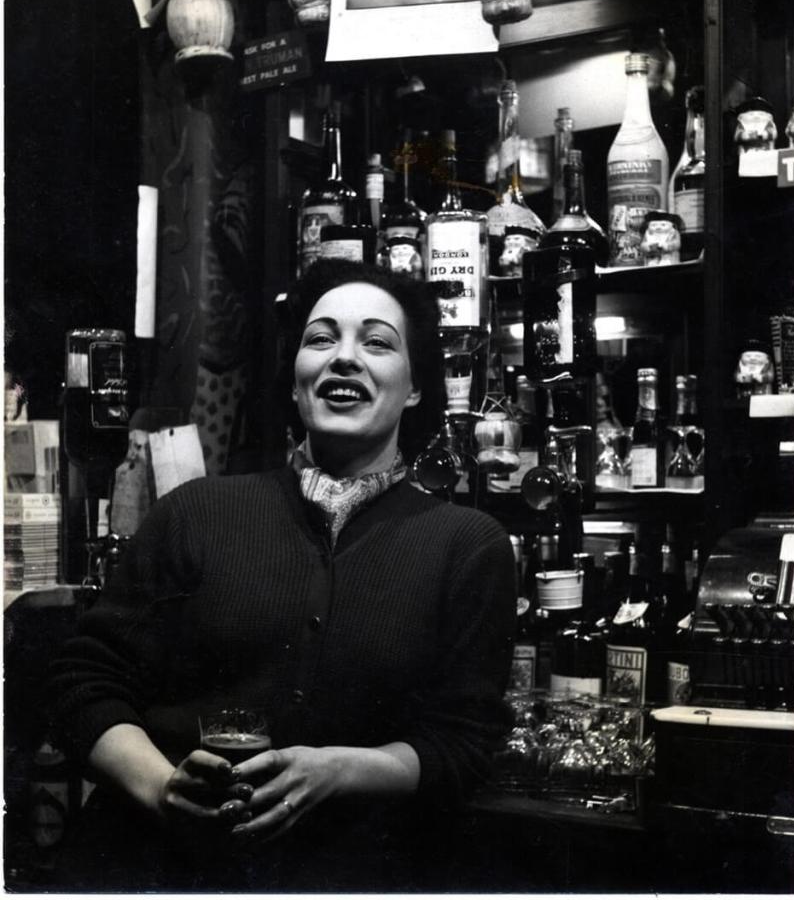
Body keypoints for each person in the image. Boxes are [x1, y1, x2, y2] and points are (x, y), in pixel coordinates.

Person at [47, 259, 516, 892]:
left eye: (377, 342)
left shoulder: (466, 546)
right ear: (296, 384)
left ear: (415, 388)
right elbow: (85, 682)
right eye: (321, 339)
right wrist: (163, 790)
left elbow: (462, 745)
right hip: (153, 869)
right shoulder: (197, 512)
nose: (344, 358)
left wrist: (336, 771)